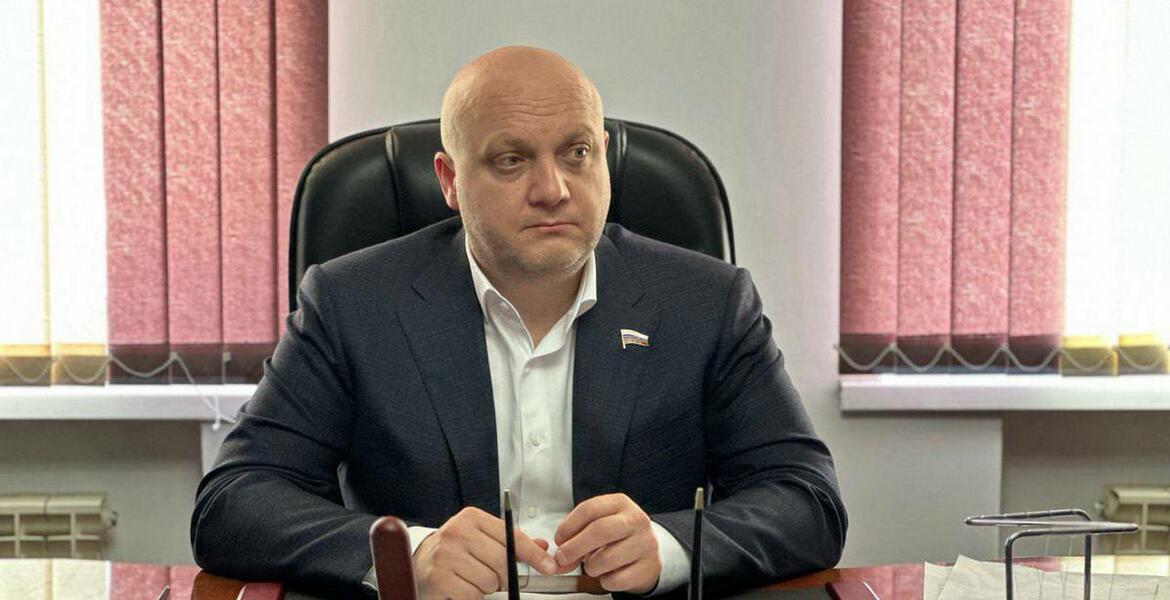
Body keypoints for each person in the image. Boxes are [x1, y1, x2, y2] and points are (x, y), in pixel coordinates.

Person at [191, 46, 846, 599]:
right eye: (511, 160)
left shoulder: (707, 302)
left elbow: (806, 499)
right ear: (450, 180)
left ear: (604, 159)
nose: (552, 188)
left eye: (577, 153)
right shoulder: (350, 303)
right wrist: (410, 555)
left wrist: (671, 546)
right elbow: (234, 501)